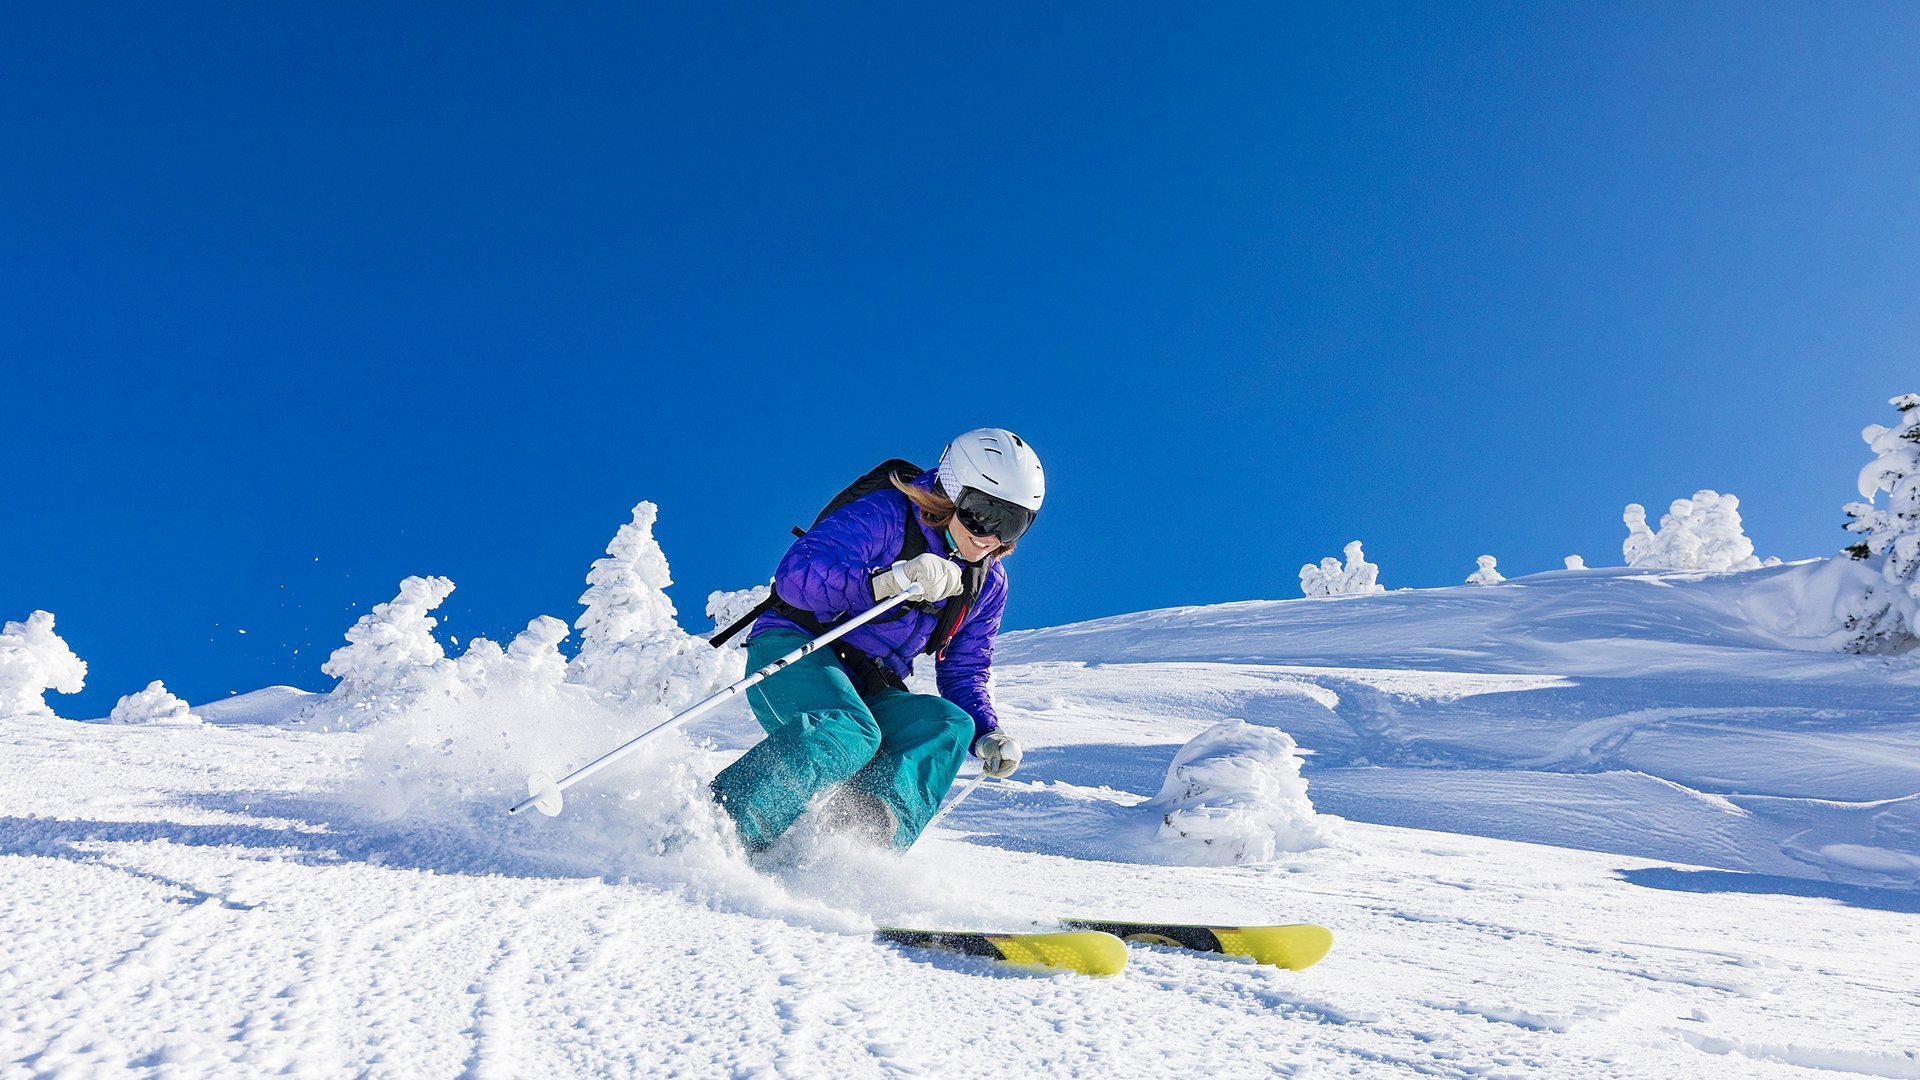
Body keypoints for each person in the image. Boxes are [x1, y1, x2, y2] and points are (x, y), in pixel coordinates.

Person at [709, 428, 1043, 853]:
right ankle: (718, 831)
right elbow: (797, 575)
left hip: (870, 683)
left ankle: (852, 851)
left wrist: (986, 729)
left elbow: (964, 667)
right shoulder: (887, 515)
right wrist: (888, 581)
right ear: (952, 491)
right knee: (847, 730)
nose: (990, 536)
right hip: (800, 645)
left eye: (1012, 523)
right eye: (982, 513)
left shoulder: (986, 582)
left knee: (947, 726)